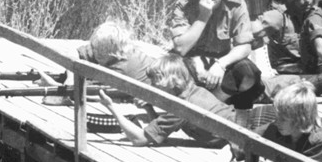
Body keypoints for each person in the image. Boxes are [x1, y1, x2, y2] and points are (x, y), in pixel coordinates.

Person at [98, 53, 276, 148]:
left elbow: (140, 139)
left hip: (253, 128)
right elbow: (159, 134)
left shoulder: (181, 107)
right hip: (251, 120)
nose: (152, 85)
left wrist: (111, 107)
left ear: (173, 80)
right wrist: (149, 108)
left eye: (156, 80)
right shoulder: (193, 91)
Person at [169, 0, 264, 110]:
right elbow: (181, 48)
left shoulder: (236, 4)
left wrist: (221, 64)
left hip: (220, 69)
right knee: (170, 69)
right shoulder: (184, 5)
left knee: (248, 71)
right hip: (191, 65)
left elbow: (245, 46)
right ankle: (206, 105)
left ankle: (211, 104)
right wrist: (203, 16)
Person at [262, 0, 318, 74]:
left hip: (308, 71)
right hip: (284, 73)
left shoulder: (315, 16)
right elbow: (252, 28)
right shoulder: (279, 17)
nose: (307, 0)